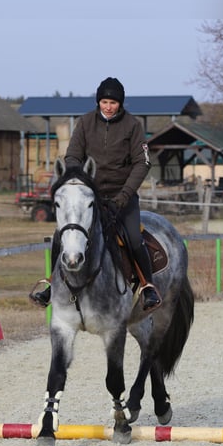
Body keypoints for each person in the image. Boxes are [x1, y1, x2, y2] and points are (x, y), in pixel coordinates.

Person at [29, 76, 162, 312]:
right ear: (98, 102)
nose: (108, 106)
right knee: (62, 234)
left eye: (113, 102)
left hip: (123, 197)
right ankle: (51, 284)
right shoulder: (85, 123)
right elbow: (72, 156)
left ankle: (147, 286)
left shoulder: (133, 126)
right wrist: (78, 181)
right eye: (104, 102)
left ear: (120, 103)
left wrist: (124, 196)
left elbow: (142, 163)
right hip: (91, 197)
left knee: (132, 237)